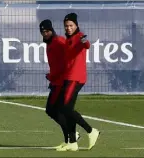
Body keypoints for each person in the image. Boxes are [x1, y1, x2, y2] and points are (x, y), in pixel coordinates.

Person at [56, 13, 100, 151]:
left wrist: (84, 41)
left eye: (71, 25)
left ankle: (91, 131)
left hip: (76, 78)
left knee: (66, 108)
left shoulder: (79, 36)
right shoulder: (68, 40)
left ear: (76, 25)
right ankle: (73, 143)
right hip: (68, 78)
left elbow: (86, 44)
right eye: (66, 26)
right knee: (67, 109)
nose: (68, 28)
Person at [39, 19, 80, 150]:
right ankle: (70, 136)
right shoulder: (50, 43)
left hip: (62, 82)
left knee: (55, 110)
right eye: (43, 32)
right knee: (53, 111)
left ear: (52, 30)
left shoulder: (59, 41)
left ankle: (71, 137)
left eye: (47, 31)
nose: (45, 34)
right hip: (56, 81)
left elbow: (69, 56)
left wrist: (57, 76)